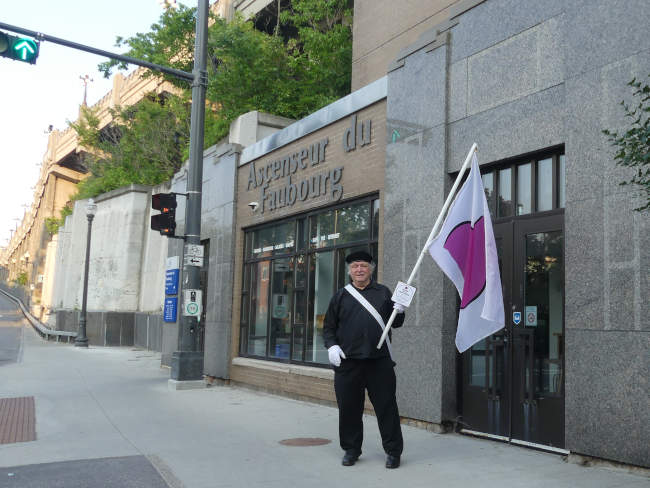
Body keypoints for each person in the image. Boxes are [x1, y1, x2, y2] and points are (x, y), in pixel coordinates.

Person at [323, 250, 406, 469]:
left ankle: (393, 452)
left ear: (371, 269)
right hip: (348, 363)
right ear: (350, 271)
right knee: (349, 408)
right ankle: (351, 450)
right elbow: (329, 328)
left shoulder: (383, 292)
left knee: (387, 407)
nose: (359, 270)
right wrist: (331, 346)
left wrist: (400, 310)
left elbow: (395, 323)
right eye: (355, 266)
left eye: (363, 266)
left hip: (379, 362)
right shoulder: (340, 295)